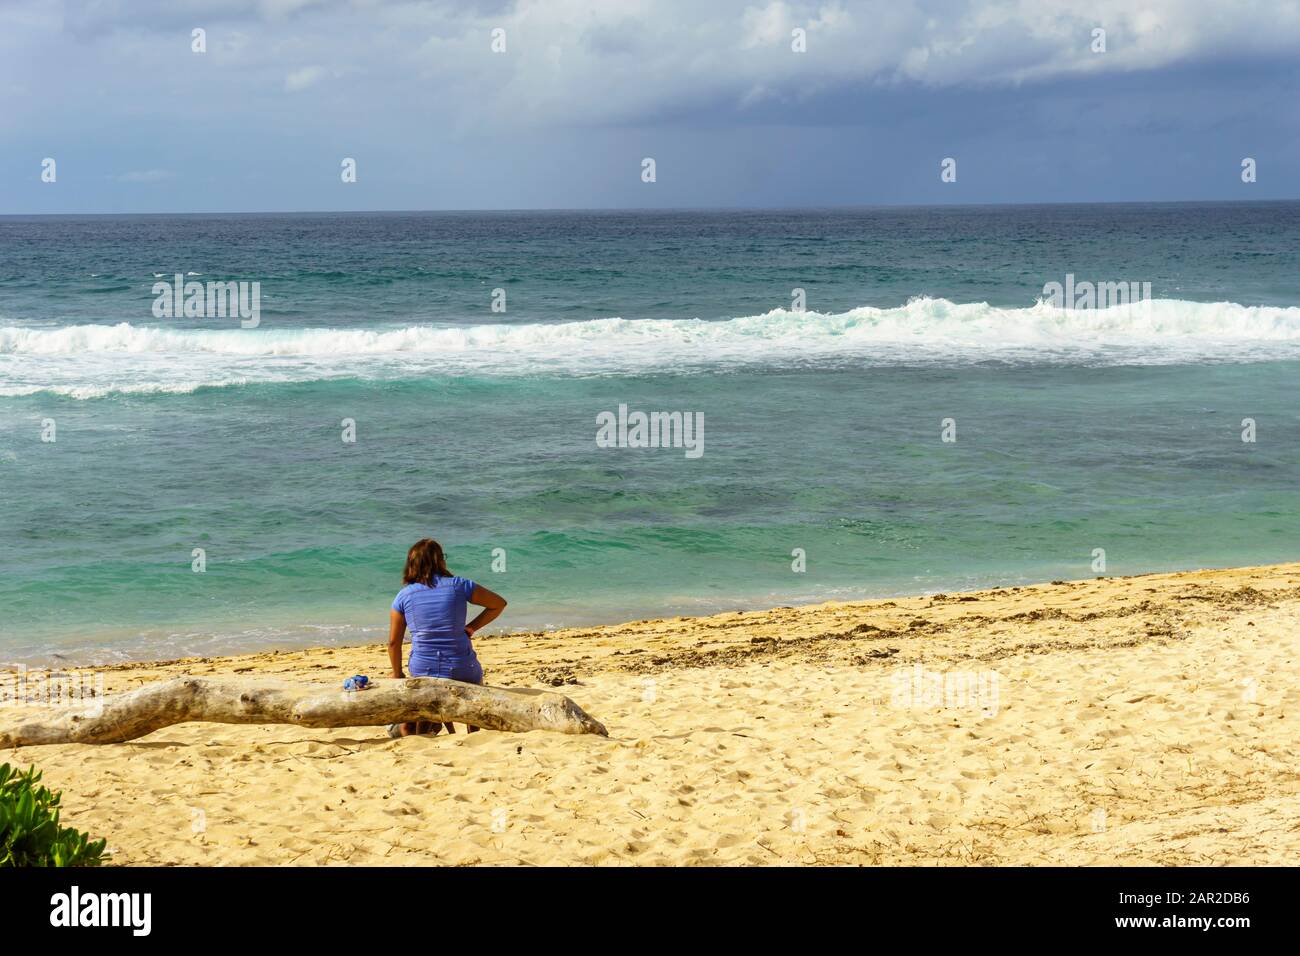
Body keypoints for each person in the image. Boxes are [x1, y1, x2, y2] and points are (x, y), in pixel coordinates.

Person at [387, 538, 507, 738]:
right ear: (441, 561)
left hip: (424, 670)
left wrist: (397, 673)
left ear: (411, 564)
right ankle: (473, 733)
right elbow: (498, 604)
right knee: (475, 681)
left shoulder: (404, 595)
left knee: (418, 709)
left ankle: (419, 729)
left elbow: (393, 643)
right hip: (463, 668)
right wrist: (471, 628)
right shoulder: (460, 585)